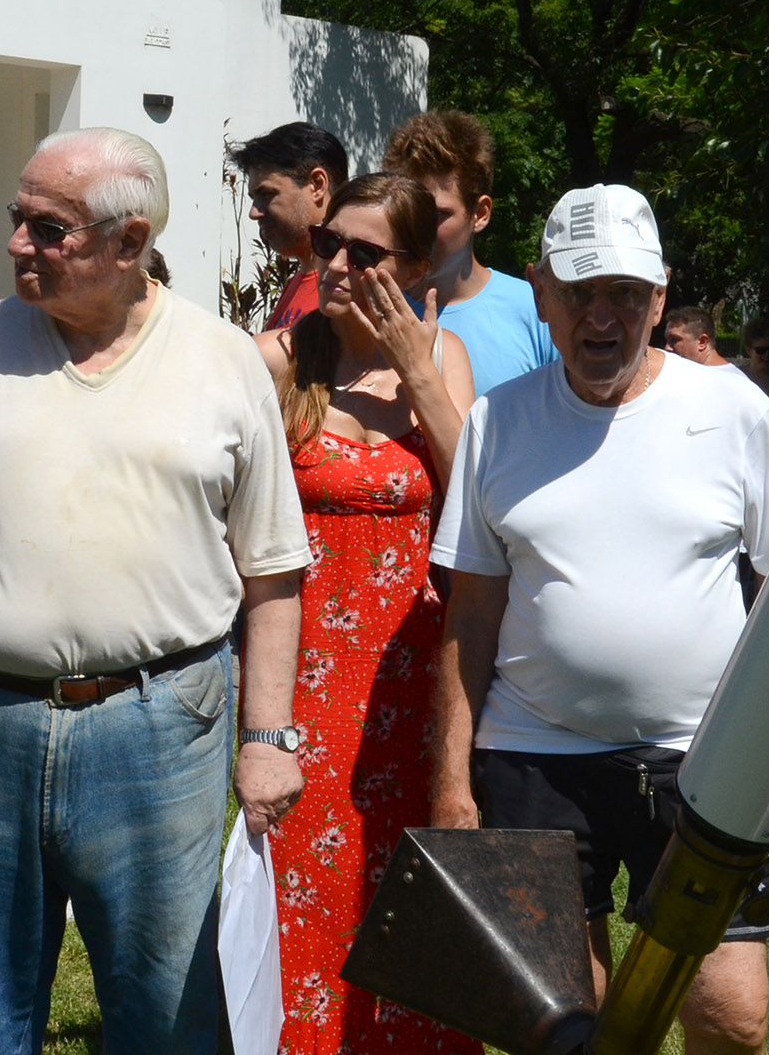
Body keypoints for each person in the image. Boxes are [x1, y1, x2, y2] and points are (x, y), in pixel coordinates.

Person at [0, 127, 311, 1054]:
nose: (16, 246)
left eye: (49, 229)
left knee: (164, 1017)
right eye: (18, 218)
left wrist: (267, 740)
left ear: (131, 242)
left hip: (161, 728)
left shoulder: (222, 360)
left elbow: (273, 571)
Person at [426, 184, 769, 1055]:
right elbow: (471, 616)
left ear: (661, 297)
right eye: (582, 292)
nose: (605, 317)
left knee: (732, 1016)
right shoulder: (498, 420)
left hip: (704, 758)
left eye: (627, 294)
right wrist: (453, 781)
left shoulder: (733, 409)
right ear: (542, 292)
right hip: (535, 755)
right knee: (562, 1023)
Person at [253, 173, 476, 1053]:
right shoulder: (282, 358)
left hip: (413, 673)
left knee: (404, 877)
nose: (339, 264)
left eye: (368, 253)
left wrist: (417, 370)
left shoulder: (443, 356)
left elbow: (473, 499)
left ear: (420, 265)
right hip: (301, 671)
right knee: (305, 876)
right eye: (328, 245)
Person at [382, 111, 556, 394]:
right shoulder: (372, 311)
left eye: (436, 214)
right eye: (406, 211)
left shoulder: (537, 312)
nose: (416, 229)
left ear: (480, 214)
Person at [232, 121, 350, 331]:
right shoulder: (302, 279)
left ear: (317, 185)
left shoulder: (346, 291)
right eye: (253, 198)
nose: (254, 213)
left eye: (267, 194)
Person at [663, 306, 738, 371]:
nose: (667, 347)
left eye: (674, 339)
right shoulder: (686, 374)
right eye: (667, 340)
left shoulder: (732, 382)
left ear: (702, 342)